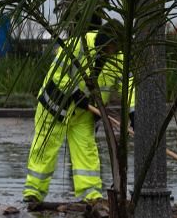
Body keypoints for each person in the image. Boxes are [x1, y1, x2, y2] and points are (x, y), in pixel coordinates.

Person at [23, 32, 134, 204]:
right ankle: (33, 193)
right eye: (109, 49)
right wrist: (75, 94)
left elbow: (129, 86)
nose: (111, 52)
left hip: (84, 114)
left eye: (115, 49)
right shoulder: (76, 45)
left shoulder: (119, 57)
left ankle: (90, 196)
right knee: (44, 149)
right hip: (55, 107)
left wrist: (134, 112)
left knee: (86, 151)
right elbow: (57, 73)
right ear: (102, 43)